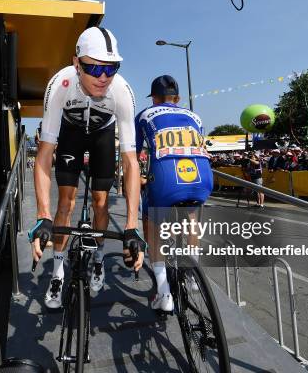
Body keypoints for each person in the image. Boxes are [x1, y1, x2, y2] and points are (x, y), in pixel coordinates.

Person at [28, 27, 144, 309]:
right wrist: (43, 215)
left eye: (111, 68)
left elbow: (131, 161)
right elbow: (44, 153)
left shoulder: (122, 91)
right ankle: (57, 272)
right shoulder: (60, 84)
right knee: (65, 203)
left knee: (101, 202)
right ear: (76, 63)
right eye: (93, 67)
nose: (103, 77)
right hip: (71, 132)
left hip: (104, 134)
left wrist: (131, 226)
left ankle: (99, 257)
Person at [135, 75, 213, 312]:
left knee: (151, 220)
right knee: (191, 214)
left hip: (166, 180)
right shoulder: (195, 117)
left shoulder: (145, 115)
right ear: (177, 98)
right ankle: (192, 276)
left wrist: (138, 178)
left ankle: (163, 291)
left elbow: (135, 153)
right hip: (202, 178)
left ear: (154, 98)